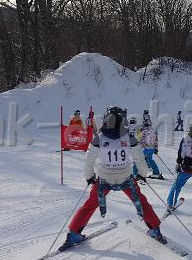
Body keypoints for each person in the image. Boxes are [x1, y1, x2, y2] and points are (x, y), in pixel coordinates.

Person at [59, 106, 164, 250]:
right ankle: (155, 230)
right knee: (141, 201)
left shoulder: (99, 138)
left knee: (89, 205)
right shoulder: (129, 138)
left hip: (105, 179)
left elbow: (89, 160)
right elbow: (139, 159)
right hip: (125, 178)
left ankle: (73, 234)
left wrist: (89, 176)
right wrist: (142, 173)